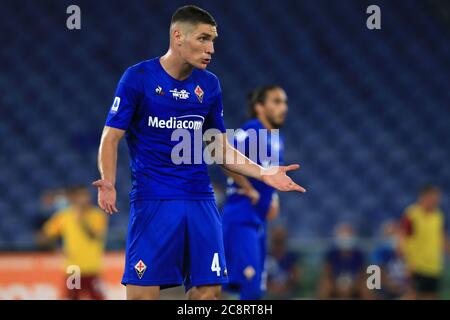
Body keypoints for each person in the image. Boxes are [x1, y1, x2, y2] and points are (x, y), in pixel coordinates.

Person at [92, 5, 306, 300]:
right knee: (142, 295)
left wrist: (263, 172)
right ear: (178, 36)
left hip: (200, 200)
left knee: (208, 292)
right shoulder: (138, 77)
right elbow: (110, 136)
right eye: (204, 39)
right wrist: (109, 180)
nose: (211, 49)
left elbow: (218, 147)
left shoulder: (209, 84)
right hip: (154, 201)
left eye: (213, 41)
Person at [221, 85, 289, 299]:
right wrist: (248, 188)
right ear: (260, 106)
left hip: (258, 221)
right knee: (246, 288)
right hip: (241, 218)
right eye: (276, 102)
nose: (283, 107)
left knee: (255, 290)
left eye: (284, 102)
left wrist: (274, 197)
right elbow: (222, 156)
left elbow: (271, 173)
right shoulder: (251, 130)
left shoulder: (276, 138)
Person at [37, 186, 108, 300]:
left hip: (92, 268)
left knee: (98, 297)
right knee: (71, 297)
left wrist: (81, 220)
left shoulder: (97, 215)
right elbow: (43, 237)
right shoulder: (64, 216)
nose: (85, 199)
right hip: (73, 268)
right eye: (81, 196)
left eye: (86, 196)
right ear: (74, 198)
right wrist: (56, 249)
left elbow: (93, 235)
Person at [400, 185, 449, 299]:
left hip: (434, 266)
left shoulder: (438, 215)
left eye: (437, 198)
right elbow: (402, 237)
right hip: (416, 264)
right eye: (432, 197)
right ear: (423, 197)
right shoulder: (412, 214)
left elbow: (442, 238)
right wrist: (406, 262)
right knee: (413, 295)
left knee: (431, 296)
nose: (435, 200)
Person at [317, 223, 370, 299]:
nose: (346, 237)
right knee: (325, 287)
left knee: (367, 288)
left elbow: (363, 273)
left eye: (348, 234)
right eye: (343, 234)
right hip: (335, 283)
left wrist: (354, 286)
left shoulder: (359, 253)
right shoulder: (331, 253)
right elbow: (326, 272)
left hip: (355, 284)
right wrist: (335, 285)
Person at [370, 220, 408, 299]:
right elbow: (376, 273)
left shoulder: (409, 252)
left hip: (405, 289)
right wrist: (388, 284)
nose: (392, 238)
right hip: (385, 288)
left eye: (394, 233)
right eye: (389, 235)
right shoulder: (380, 252)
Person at [265, 225, 301, 299]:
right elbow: (261, 276)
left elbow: (296, 275)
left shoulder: (291, 256)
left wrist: (285, 287)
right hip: (269, 292)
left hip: (287, 292)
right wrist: (272, 288)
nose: (279, 237)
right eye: (277, 235)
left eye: (281, 235)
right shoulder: (266, 256)